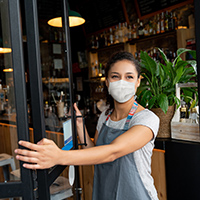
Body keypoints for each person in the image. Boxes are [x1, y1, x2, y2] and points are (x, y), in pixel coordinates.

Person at [15, 51, 160, 200]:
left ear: (138, 82)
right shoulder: (105, 116)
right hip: (105, 192)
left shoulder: (146, 119)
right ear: (107, 82)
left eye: (129, 77)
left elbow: (112, 152)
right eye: (115, 76)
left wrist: (59, 156)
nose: (122, 82)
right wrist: (79, 125)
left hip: (136, 195)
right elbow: (94, 153)